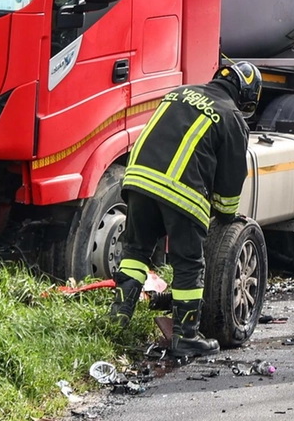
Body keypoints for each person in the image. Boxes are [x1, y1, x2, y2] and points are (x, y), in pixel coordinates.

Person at [109, 61, 261, 356]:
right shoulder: (231, 118)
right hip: (181, 192)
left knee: (135, 253)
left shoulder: (179, 93)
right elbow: (231, 182)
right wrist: (226, 216)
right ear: (246, 97)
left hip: (138, 180)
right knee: (189, 264)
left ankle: (118, 320)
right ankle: (186, 336)